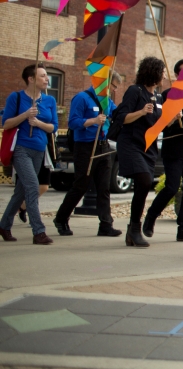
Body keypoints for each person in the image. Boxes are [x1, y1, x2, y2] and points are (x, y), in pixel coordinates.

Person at [141, 59, 183, 242]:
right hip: (174, 149)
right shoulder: (169, 95)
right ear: (177, 75)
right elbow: (165, 126)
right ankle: (150, 217)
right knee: (171, 187)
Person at [53, 81, 120, 237]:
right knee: (80, 186)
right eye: (113, 85)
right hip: (85, 147)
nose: (114, 89)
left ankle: (105, 224)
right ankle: (61, 218)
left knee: (104, 187)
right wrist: (93, 121)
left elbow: (117, 114)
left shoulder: (107, 101)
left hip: (103, 145)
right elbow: (73, 122)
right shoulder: (82, 97)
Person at [0, 64, 58, 244]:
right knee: (33, 187)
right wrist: (25, 115)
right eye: (42, 76)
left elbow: (53, 127)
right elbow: (6, 123)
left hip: (39, 149)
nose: (47, 79)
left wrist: (38, 123)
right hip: (21, 149)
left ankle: (3, 225)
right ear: (31, 79)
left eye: (47, 75)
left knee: (21, 191)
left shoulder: (49, 101)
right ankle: (38, 231)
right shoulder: (16, 98)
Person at [113, 57, 166, 248]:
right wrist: (141, 112)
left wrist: (172, 117)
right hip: (131, 144)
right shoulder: (134, 91)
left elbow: (157, 124)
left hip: (148, 147)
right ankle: (135, 229)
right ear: (153, 72)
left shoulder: (158, 97)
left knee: (143, 187)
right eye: (162, 71)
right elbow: (121, 118)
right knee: (143, 181)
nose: (164, 75)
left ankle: (132, 232)